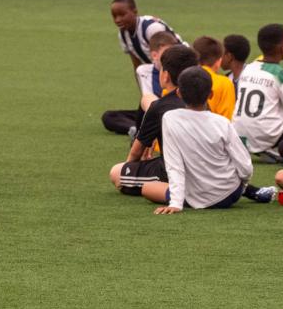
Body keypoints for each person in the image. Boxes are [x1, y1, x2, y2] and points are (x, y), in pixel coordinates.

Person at [139, 67, 253, 214]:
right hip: (230, 195)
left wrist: (175, 203)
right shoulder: (222, 122)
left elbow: (174, 165)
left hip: (192, 198)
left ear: (178, 93)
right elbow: (245, 165)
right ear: (210, 94)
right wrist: (243, 184)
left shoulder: (170, 118)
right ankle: (249, 190)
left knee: (147, 188)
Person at [109, 44, 200, 198]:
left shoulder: (160, 107)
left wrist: (129, 167)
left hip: (172, 171)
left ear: (165, 76)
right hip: (205, 170)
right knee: (147, 99)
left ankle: (174, 192)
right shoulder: (200, 102)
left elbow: (136, 152)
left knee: (116, 172)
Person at [232, 23, 283, 161]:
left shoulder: (248, 68)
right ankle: (278, 150)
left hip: (237, 134)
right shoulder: (282, 75)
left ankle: (255, 145)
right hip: (267, 136)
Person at [101, 30, 180, 135]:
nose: (170, 56)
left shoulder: (179, 69)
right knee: (109, 116)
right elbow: (149, 102)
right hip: (154, 111)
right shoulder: (144, 71)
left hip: (173, 112)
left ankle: (142, 131)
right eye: (167, 53)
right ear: (154, 55)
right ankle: (135, 129)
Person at [110, 0, 182, 81]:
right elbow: (137, 64)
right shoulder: (123, 35)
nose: (117, 20)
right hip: (159, 71)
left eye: (122, 15)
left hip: (181, 67)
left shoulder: (151, 28)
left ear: (135, 12)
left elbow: (171, 56)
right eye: (114, 16)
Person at [191, 36, 236, 122]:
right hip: (213, 133)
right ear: (218, 61)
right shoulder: (224, 83)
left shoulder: (183, 78)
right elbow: (227, 119)